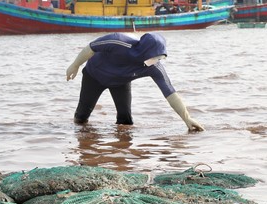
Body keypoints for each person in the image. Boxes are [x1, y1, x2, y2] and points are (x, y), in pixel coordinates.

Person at [66, 32, 204, 131]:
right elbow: (91, 47)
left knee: (126, 121)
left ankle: (122, 152)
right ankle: (84, 144)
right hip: (94, 76)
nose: (156, 62)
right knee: (82, 117)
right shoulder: (118, 41)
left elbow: (170, 93)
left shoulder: (154, 67)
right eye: (155, 57)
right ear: (144, 51)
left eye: (160, 58)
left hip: (120, 83)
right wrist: (75, 65)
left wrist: (187, 118)